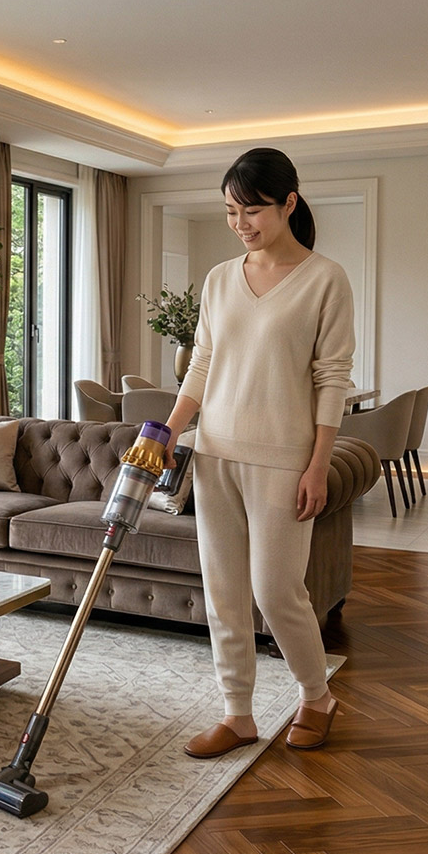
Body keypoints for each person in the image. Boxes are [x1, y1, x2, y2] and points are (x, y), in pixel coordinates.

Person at [161, 147, 354, 760]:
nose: (241, 223)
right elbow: (202, 365)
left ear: (289, 203)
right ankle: (237, 713)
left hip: (283, 459)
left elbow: (332, 379)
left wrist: (319, 463)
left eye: (252, 210)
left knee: (275, 591)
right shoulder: (220, 279)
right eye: (230, 211)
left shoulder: (326, 279)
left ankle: (317, 696)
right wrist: (168, 432)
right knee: (222, 589)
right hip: (214, 452)